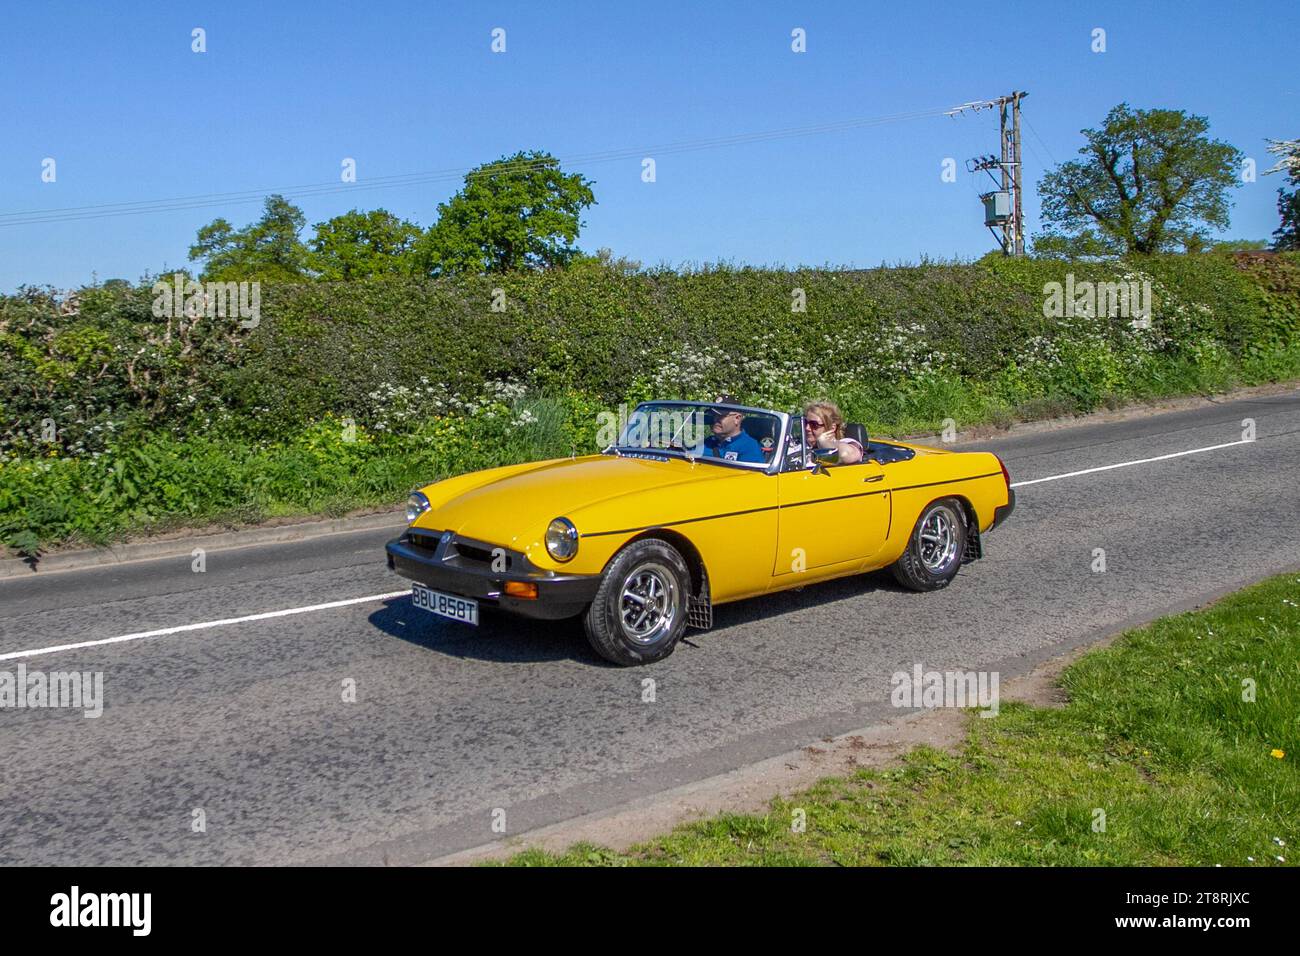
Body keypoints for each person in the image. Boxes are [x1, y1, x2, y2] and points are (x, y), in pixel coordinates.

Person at [702, 395, 765, 463]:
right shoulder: (708, 442)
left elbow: (749, 473)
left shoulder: (749, 447)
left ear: (737, 419)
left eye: (721, 416)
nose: (715, 419)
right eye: (713, 415)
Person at [802, 399, 863, 465]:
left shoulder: (846, 442)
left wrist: (823, 442)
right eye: (805, 423)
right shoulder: (798, 443)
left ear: (832, 428)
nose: (807, 428)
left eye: (814, 424)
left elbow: (845, 454)